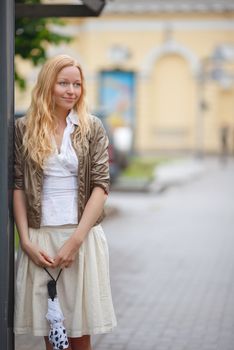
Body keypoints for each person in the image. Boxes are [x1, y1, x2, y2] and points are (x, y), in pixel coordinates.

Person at [14, 54, 117, 350]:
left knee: (80, 336)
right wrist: (26, 241)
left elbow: (101, 186)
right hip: (41, 238)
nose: (71, 90)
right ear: (48, 84)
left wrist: (75, 241)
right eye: (63, 83)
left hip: (81, 237)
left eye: (77, 84)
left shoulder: (91, 127)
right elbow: (18, 186)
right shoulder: (24, 128)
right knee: (52, 335)